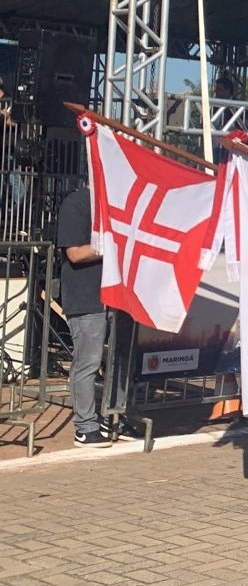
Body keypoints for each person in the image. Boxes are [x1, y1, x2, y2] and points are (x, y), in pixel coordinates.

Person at [56, 185, 115, 448]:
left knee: (118, 363)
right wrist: (110, 246)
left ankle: (114, 417)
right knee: (88, 363)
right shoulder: (76, 203)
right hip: (86, 298)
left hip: (116, 297)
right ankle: (86, 425)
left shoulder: (118, 203)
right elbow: (75, 254)